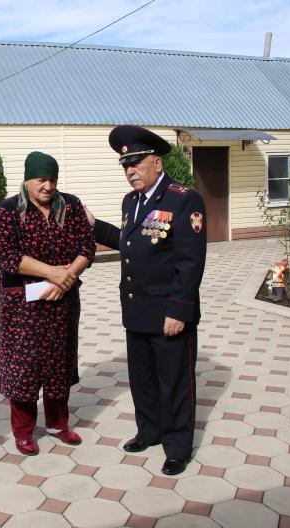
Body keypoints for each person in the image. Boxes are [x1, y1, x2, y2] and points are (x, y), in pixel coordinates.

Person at [86, 126, 207, 476]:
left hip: (169, 311)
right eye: (125, 165)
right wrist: (96, 226)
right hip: (137, 309)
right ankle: (150, 430)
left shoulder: (183, 199)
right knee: (143, 378)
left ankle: (178, 446)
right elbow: (130, 242)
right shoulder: (132, 201)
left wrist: (179, 310)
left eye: (135, 163)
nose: (129, 171)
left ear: (156, 161)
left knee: (175, 381)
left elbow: (190, 261)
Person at [0, 151, 96, 455]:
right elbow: (6, 255)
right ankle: (23, 431)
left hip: (63, 298)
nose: (48, 186)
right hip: (24, 304)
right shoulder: (10, 209)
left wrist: (67, 277)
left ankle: (58, 424)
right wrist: (51, 273)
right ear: (26, 180)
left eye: (52, 179)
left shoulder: (71, 205)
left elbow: (86, 246)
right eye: (41, 180)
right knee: (24, 365)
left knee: (58, 362)